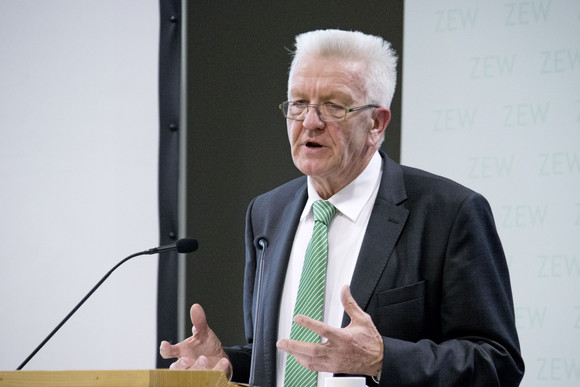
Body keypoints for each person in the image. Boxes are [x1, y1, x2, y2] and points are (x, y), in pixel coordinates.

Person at [160, 29, 525, 386]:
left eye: (334, 106)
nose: (310, 122)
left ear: (377, 124)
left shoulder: (451, 213)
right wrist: (226, 362)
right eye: (299, 103)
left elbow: (497, 361)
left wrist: (383, 360)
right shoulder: (266, 213)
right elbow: (278, 359)